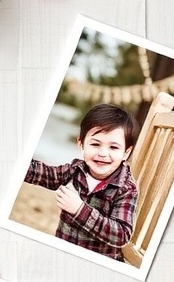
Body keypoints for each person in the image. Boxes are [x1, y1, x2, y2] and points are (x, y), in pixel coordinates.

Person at [23, 104, 139, 260]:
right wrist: (17, 163)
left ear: (126, 153)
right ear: (81, 145)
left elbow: (121, 235)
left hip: (95, 264)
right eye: (95, 144)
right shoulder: (74, 171)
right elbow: (43, 174)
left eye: (113, 147)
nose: (103, 153)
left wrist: (79, 209)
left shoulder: (125, 189)